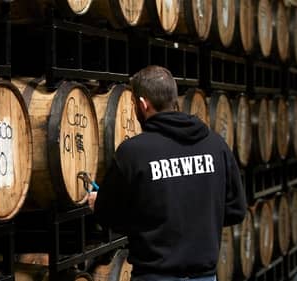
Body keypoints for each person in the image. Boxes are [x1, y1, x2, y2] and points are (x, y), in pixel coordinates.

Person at [89, 65, 247, 281]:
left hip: (154, 276)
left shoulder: (133, 152)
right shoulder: (216, 145)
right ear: (174, 99)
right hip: (204, 276)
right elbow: (236, 210)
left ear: (143, 104)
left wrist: (98, 203)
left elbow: (109, 217)